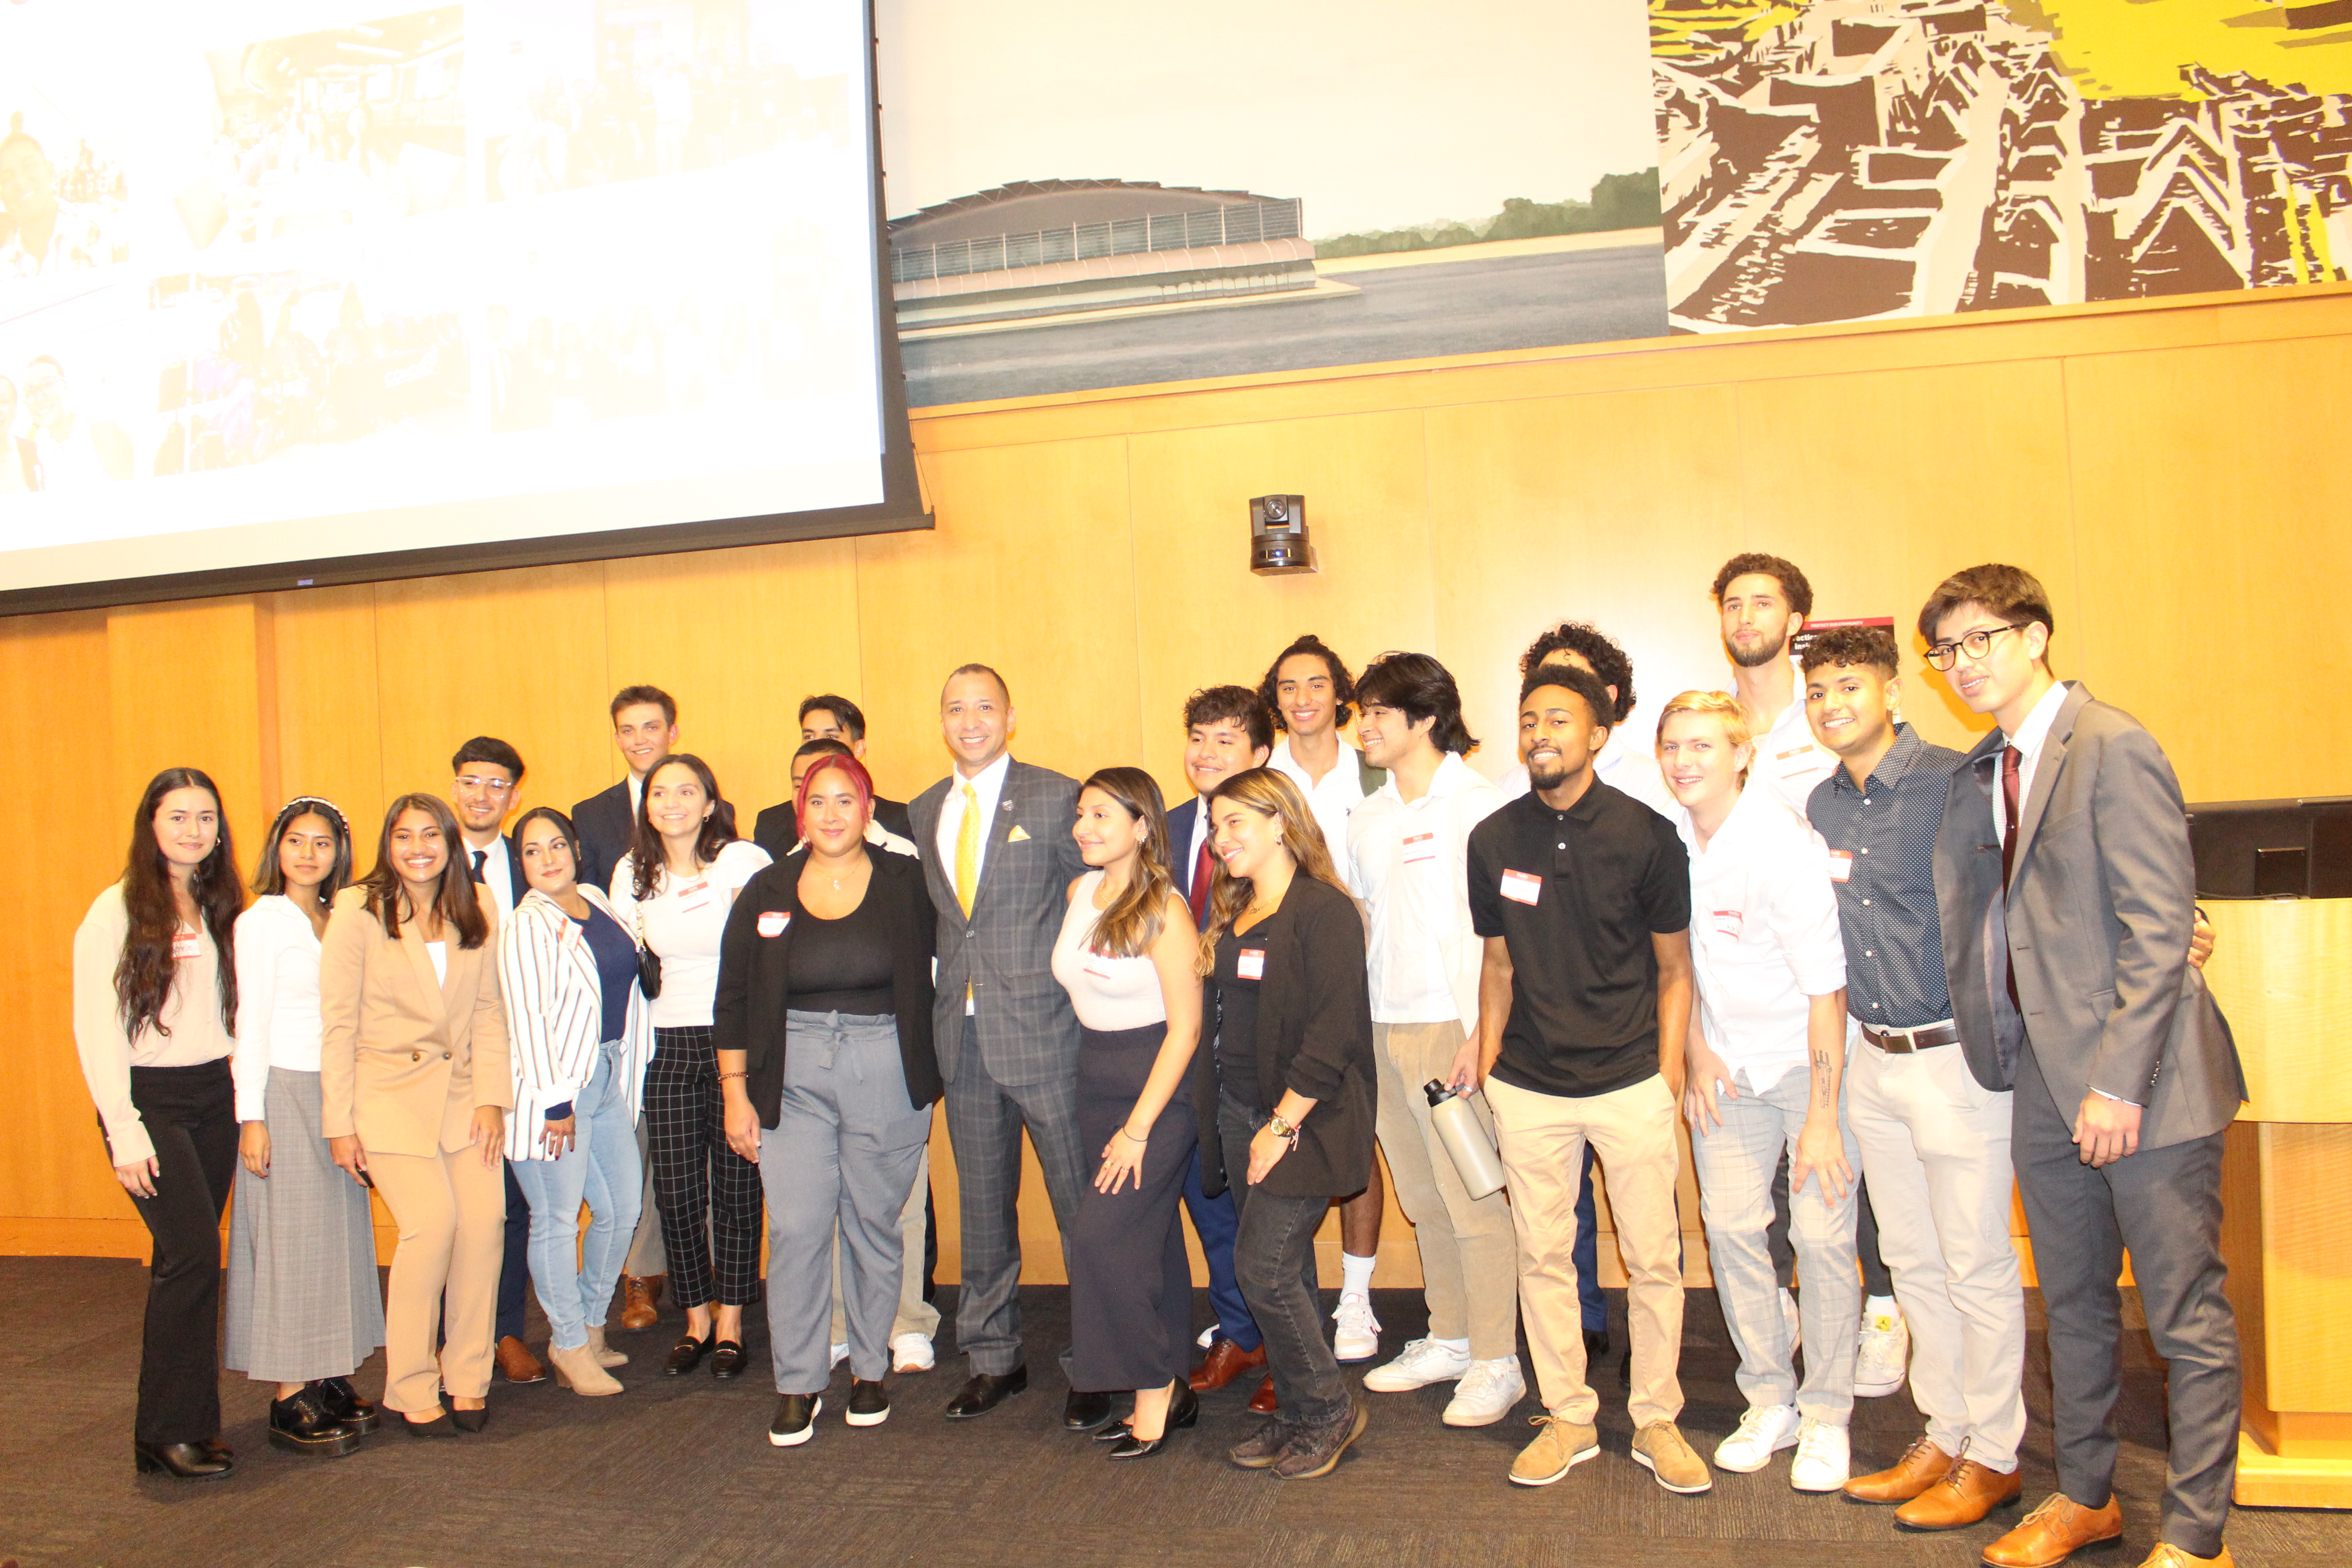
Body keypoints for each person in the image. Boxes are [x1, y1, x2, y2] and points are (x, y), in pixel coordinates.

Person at [1925, 564, 2245, 1568]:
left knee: (2186, 1316)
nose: (1964, 662)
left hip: (2145, 1089)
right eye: (1947, 648)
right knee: (2071, 1309)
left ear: (2036, 636)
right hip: (2040, 1083)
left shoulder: (2111, 745)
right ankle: (2088, 1497)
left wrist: (2117, 1085)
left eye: (1983, 639)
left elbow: (2160, 932)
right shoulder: (1989, 767)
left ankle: (2198, 1537)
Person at [1798, 623, 2030, 1529]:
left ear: (1894, 693)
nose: (1832, 706)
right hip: (1871, 1061)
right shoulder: (1821, 806)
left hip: (1956, 1058)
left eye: (1849, 687)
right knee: (1913, 1260)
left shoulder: (1952, 783)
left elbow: (2025, 877)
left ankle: (1998, 1455)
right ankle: (1947, 1429)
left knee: (1976, 1261)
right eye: (1818, 694)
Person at [1461, 665, 1710, 1495]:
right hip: (1528, 1087)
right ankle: (1567, 1414)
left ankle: (1654, 1417)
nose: (1539, 734)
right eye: (1528, 718)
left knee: (1653, 1260)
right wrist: (1491, 1068)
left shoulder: (1646, 835)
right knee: (1542, 1257)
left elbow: (1674, 970)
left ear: (1598, 735)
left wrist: (1664, 1079)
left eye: (1559, 720)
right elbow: (1495, 967)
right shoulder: (1492, 840)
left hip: (1628, 1081)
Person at [1712, 555, 1906, 1398]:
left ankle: (1882, 1309)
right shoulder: (1712, 725)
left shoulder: (1823, 718)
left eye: (1764, 602)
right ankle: (1788, 1316)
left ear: (1795, 621)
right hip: (1751, 995)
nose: (1746, 615)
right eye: (1732, 603)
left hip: (1842, 983)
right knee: (1767, 1193)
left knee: (1840, 1174)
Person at [1657, 690, 1859, 1492]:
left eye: (1702, 745)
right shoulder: (1668, 838)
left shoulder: (1780, 842)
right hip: (1723, 1071)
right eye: (1672, 745)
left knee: (1818, 1238)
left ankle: (1827, 1416)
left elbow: (1826, 994)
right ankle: (1768, 1398)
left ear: (1741, 754)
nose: (1683, 761)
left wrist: (1819, 1120)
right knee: (1733, 1230)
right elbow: (1677, 966)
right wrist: (1696, 1053)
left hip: (1805, 1067)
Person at [714, 753, 942, 1446]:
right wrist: (734, 1094)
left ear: (869, 811)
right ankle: (800, 1383)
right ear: (800, 812)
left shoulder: (908, 882)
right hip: (789, 1073)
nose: (833, 814)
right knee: (797, 1230)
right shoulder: (767, 888)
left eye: (847, 801)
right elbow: (733, 998)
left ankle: (870, 1371)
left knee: (875, 1225)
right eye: (819, 802)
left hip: (888, 1070)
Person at [905, 664, 1093, 1423]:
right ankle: (992, 1357)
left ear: (1010, 716)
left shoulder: (1056, 797)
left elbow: (1096, 899)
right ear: (941, 720)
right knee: (982, 1209)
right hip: (964, 1035)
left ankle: (1101, 1359)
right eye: (955, 708)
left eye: (984, 706)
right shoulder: (924, 809)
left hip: (1049, 1033)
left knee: (1082, 1208)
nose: (970, 719)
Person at [1344, 653, 1524, 1428]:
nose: (1364, 725)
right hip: (1383, 1028)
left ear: (1425, 718)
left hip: (1453, 1028)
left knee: (1473, 1196)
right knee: (1422, 1199)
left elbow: (1506, 937)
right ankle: (1448, 1335)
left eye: (1380, 711)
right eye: (1363, 711)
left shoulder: (1476, 807)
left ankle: (1497, 1359)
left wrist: (1484, 1033)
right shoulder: (1367, 816)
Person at [1497, 621, 1667, 1372]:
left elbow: (1669, 943)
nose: (1543, 718)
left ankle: (1651, 1372)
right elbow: (1498, 944)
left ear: (1603, 710)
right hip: (1537, 1049)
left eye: (1565, 697)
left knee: (1647, 1232)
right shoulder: (1511, 799)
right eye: (1533, 699)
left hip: (1626, 1039)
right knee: (1551, 1223)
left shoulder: (1650, 790)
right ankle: (1581, 1326)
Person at [1196, 768, 1376, 1480]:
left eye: (1236, 822)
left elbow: (1333, 1033)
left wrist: (1282, 1123)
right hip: (1241, 1111)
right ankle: (1301, 1413)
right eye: (1216, 827)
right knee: (1289, 1270)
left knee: (1261, 1269)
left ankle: (1332, 1407)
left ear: (1280, 823)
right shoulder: (1235, 909)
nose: (1221, 839)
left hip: (1305, 1116)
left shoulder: (1323, 911)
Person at [72, 769, 246, 1479]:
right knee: (195, 1255)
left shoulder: (224, 904)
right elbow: (95, 1026)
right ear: (151, 825)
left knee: (187, 1265)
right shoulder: (115, 910)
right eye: (178, 817)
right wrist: (123, 1127)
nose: (193, 830)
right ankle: (172, 1429)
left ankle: (173, 1428)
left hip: (216, 1096)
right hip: (151, 1103)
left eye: (206, 817)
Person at [320, 794, 510, 1436]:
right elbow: (339, 1021)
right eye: (405, 836)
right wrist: (338, 1122)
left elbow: (488, 1012)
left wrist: (491, 1099)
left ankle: (468, 1376)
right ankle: (408, 1383)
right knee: (431, 1227)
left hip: (462, 1100)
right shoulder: (359, 909)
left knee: (484, 1225)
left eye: (432, 835)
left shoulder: (476, 904)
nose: (419, 848)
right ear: (388, 844)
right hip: (388, 1099)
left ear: (451, 843)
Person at [1053, 767, 1204, 1459]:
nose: (1085, 827)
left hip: (1158, 1088)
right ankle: (1172, 1376)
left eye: (1102, 816)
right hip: (1095, 1079)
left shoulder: (1167, 909)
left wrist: (1140, 1127)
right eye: (1082, 814)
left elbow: (1186, 1030)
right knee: (1153, 1242)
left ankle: (1153, 1394)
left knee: (1100, 1237)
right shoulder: (1082, 890)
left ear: (1143, 826)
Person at [225, 797, 381, 1459]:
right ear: (277, 848)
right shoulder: (263, 921)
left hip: (339, 1093)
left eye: (323, 843)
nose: (309, 854)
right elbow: (249, 1022)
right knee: (291, 1244)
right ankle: (290, 1395)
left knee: (340, 1238)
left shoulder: (342, 917)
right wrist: (251, 1116)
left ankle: (328, 1375)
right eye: (297, 841)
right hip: (285, 1091)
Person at [609, 754, 771, 1381]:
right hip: (666, 1045)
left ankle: (731, 1321)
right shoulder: (633, 871)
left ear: (710, 803)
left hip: (735, 1041)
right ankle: (696, 1317)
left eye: (686, 791)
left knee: (735, 1189)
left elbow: (761, 949)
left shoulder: (740, 860)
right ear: (646, 807)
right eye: (658, 793)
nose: (671, 801)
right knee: (676, 1195)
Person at [1258, 633, 1384, 1364]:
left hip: (1371, 977)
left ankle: (1358, 1299)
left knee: (1355, 1138)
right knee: (1288, 1128)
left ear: (1340, 693)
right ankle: (1290, 1296)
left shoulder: (1373, 769)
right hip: (1282, 984)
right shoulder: (1260, 776)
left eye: (1315, 685)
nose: (1302, 699)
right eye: (1287, 688)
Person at [499, 807, 653, 1397]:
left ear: (576, 848)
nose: (547, 859)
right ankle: (565, 1342)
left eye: (556, 845)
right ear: (522, 864)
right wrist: (554, 1102)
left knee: (620, 1210)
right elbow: (530, 1019)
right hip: (553, 1091)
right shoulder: (526, 925)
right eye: (532, 851)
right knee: (558, 1220)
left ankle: (591, 1325)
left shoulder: (594, 897)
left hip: (608, 1074)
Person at [1166, 687, 1272, 1406]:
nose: (1206, 753)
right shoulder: (1163, 828)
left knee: (1269, 1214)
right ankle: (1243, 1333)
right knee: (1208, 1204)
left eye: (1226, 739)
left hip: (1255, 1052)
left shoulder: (1277, 829)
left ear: (1261, 755)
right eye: (1197, 737)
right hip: (1179, 1051)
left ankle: (1290, 1356)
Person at [572, 684, 678, 1333]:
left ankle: (692, 1263)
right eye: (627, 729)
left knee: (681, 1141)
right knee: (628, 1140)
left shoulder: (707, 800)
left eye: (651, 727)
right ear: (616, 737)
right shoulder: (591, 813)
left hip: (688, 1001)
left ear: (672, 731)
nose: (640, 738)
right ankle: (637, 1278)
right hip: (618, 1004)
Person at [449, 735, 541, 1384]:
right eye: (471, 782)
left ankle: (505, 1330)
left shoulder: (530, 861)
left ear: (514, 796)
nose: (483, 796)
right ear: (455, 787)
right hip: (445, 1065)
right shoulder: (423, 857)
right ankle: (447, 1333)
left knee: (513, 1201)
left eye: (497, 785)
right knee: (448, 1207)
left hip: (519, 1055)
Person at [754, 694, 913, 851]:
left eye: (831, 736)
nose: (819, 744)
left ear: (858, 748)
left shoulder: (899, 819)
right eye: (809, 737)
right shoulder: (772, 823)